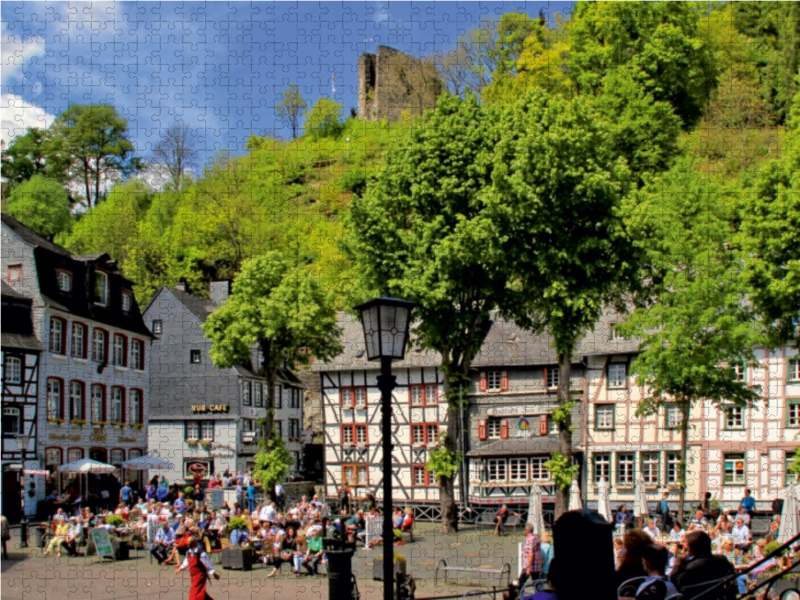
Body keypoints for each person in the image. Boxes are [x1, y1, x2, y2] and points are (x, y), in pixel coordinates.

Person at [670, 531, 736, 600]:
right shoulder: (722, 560)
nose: (685, 547)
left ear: (693, 548)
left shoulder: (691, 567)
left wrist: (678, 564)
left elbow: (674, 583)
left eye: (687, 545)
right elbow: (731, 574)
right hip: (717, 596)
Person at [175, 535, 221, 600]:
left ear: (194, 543)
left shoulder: (201, 553)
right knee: (200, 592)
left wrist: (214, 573)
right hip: (193, 576)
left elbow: (207, 564)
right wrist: (180, 568)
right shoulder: (189, 552)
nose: (188, 546)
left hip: (200, 576)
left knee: (194, 593)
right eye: (187, 544)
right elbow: (186, 561)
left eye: (189, 544)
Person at [518, 523, 542, 591]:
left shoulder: (530, 539)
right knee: (537, 583)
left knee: (521, 582)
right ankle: (540, 597)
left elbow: (530, 554)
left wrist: (528, 568)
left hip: (529, 566)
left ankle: (520, 596)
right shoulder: (536, 538)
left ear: (527, 530)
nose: (524, 530)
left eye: (524, 529)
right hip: (536, 566)